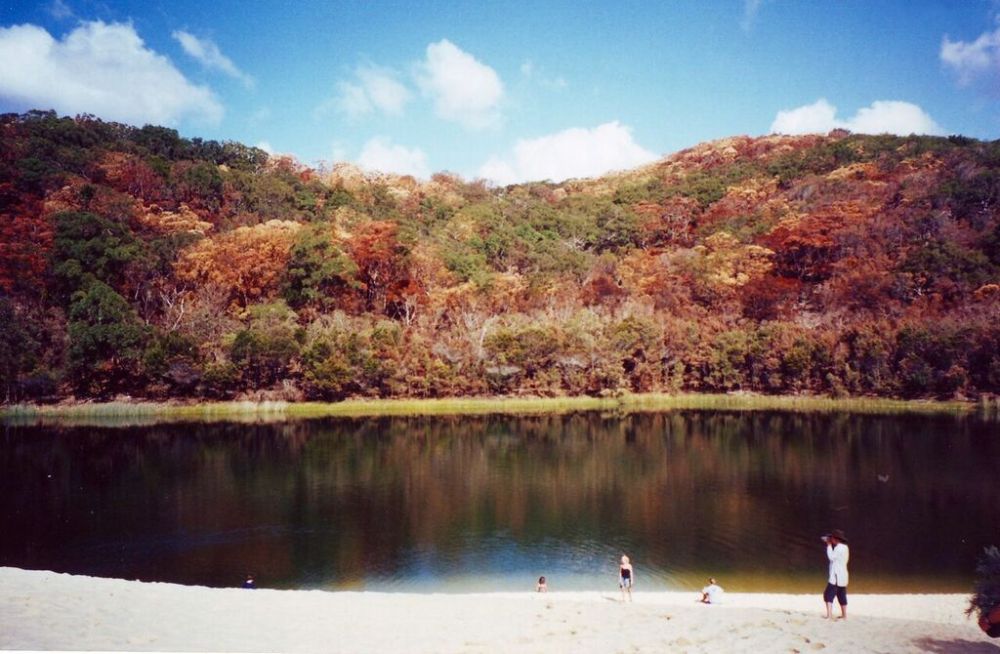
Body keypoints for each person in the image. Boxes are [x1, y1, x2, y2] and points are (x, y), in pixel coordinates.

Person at [822, 529, 849, 620]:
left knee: (828, 594)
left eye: (832, 538)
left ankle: (829, 615)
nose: (831, 539)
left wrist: (829, 546)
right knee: (841, 595)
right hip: (842, 575)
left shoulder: (839, 548)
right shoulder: (845, 547)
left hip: (836, 576)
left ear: (836, 538)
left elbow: (831, 557)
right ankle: (844, 615)